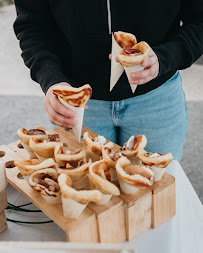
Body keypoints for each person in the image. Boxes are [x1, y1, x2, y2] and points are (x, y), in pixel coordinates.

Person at [13, 0, 203, 161]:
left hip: (157, 101)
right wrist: (51, 79)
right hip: (78, 105)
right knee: (88, 201)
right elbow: (32, 26)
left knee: (156, 200)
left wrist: (165, 57)